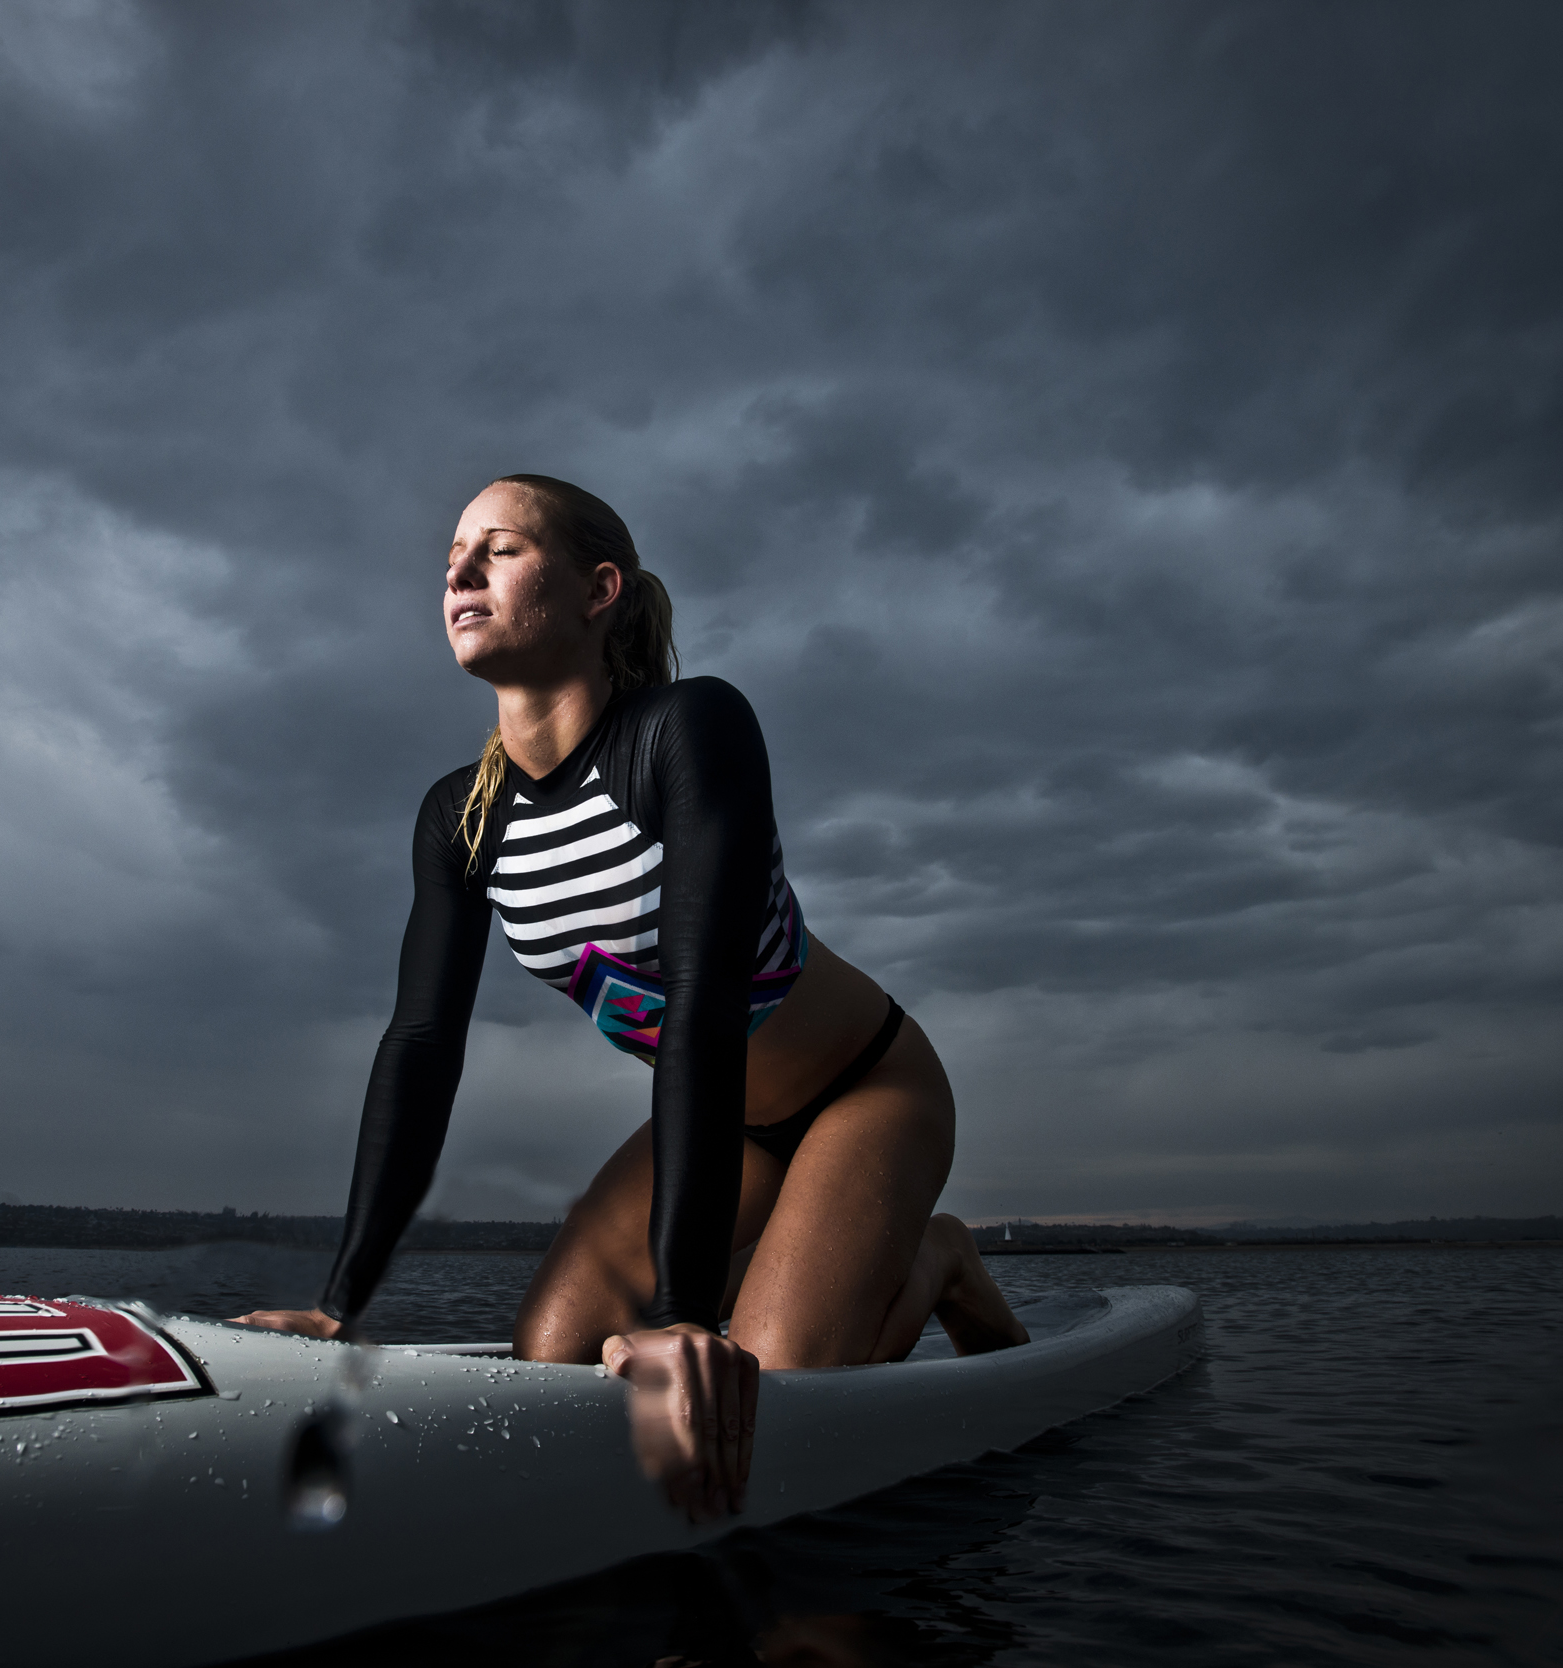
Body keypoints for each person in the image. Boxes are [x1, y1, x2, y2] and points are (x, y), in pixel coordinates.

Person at [236, 475, 1028, 1522]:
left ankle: (934, 1257)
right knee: (550, 1355)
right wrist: (344, 1306)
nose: (460, 573)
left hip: (862, 1091)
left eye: (501, 550)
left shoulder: (686, 729)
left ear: (597, 589)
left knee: (763, 1389)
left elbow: (704, 1002)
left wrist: (685, 1318)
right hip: (726, 1125)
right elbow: (420, 1046)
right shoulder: (460, 818)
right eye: (450, 561)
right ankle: (799, 1266)